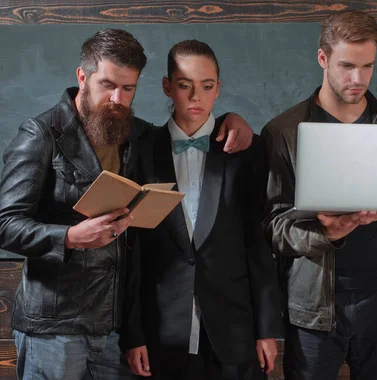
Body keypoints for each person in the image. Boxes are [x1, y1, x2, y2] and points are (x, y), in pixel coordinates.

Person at [0, 29, 253, 380]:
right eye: (107, 85)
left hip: (116, 329)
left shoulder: (136, 133)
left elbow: (187, 125)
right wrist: (71, 237)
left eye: (128, 88)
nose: (117, 98)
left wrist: (231, 119)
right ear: (82, 77)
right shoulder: (40, 134)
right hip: (54, 327)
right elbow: (6, 224)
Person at [261, 10, 377, 380]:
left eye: (367, 66)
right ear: (322, 59)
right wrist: (327, 233)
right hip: (314, 307)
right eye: (347, 66)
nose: (358, 79)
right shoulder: (284, 131)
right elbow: (273, 229)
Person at [124, 40, 282, 380]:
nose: (196, 97)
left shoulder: (246, 150)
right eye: (184, 86)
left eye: (206, 86)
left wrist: (266, 328)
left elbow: (259, 244)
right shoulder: (141, 151)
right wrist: (133, 334)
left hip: (235, 330)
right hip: (163, 333)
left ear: (218, 88)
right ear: (168, 87)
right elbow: (134, 252)